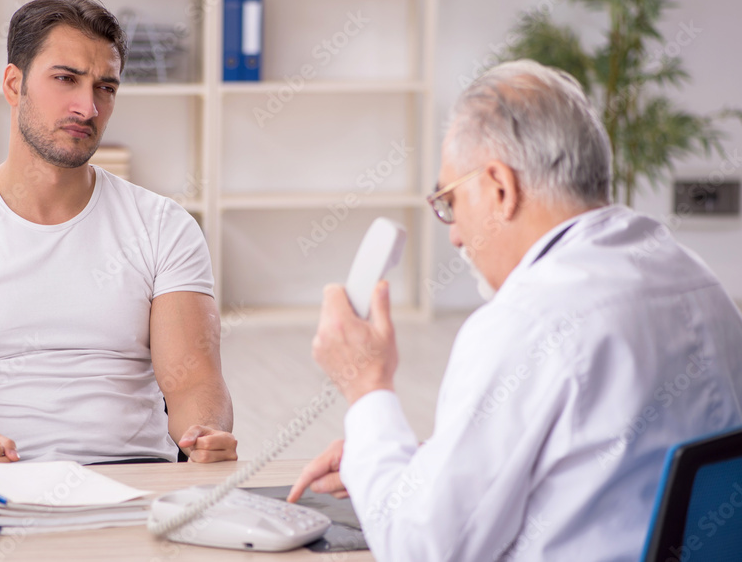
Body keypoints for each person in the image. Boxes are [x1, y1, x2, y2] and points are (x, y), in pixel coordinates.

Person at [288, 60, 742, 560]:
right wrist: (405, 461)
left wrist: (367, 388)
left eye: (450, 202)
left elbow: (421, 549)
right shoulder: (700, 281)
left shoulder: (528, 320)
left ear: (500, 188)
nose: (456, 233)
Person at [0, 0, 237, 465]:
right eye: (66, 79)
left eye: (105, 88)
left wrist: (204, 432)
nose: (87, 107)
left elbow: (196, 383)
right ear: (14, 84)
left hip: (134, 486)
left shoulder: (164, 226)